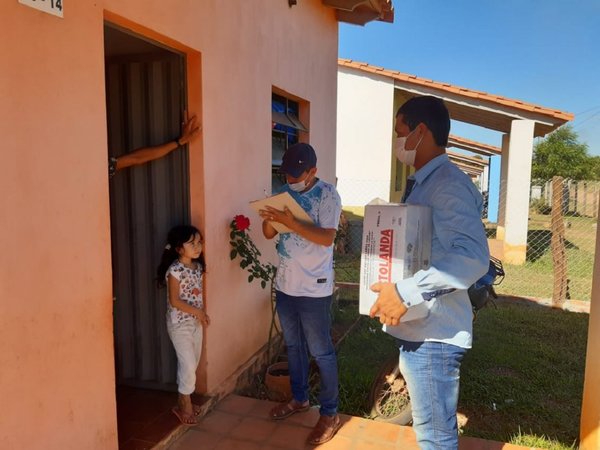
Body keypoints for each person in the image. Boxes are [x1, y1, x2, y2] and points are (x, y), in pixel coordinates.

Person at [369, 96, 489, 450]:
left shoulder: (447, 184)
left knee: (435, 438)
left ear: (421, 131)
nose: (397, 142)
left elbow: (471, 257)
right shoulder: (425, 182)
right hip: (422, 327)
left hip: (435, 336)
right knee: (431, 433)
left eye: (400, 131)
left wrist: (405, 293)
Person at [259, 143, 343, 446]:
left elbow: (326, 238)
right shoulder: (284, 194)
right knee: (293, 346)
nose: (292, 181)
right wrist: (270, 219)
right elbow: (269, 236)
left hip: (314, 288)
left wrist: (294, 223)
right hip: (286, 284)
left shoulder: (328, 196)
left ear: (313, 172)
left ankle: (330, 413)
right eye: (288, 175)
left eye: (297, 176)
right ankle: (299, 399)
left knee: (321, 352)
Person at [157, 225, 210, 425]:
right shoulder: (175, 270)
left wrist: (202, 315)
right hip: (179, 325)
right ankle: (184, 401)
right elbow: (175, 300)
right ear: (179, 248)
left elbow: (198, 296)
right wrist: (198, 312)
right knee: (187, 363)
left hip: (195, 323)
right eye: (192, 243)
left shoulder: (197, 268)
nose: (197, 247)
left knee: (193, 362)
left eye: (199, 242)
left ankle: (183, 398)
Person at [109, 114, 200, 178]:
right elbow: (137, 158)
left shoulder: (103, 167)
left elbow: (137, 158)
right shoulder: (102, 169)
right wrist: (180, 141)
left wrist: (180, 141)